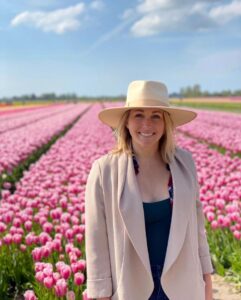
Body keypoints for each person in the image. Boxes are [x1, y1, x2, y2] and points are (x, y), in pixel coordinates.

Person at [85, 80, 214, 300]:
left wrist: (207, 286)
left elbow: (198, 230)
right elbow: (97, 243)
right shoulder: (104, 171)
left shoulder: (184, 164)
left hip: (183, 288)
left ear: (166, 123)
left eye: (156, 115)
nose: (147, 124)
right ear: (126, 122)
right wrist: (102, 295)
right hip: (131, 288)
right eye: (138, 115)